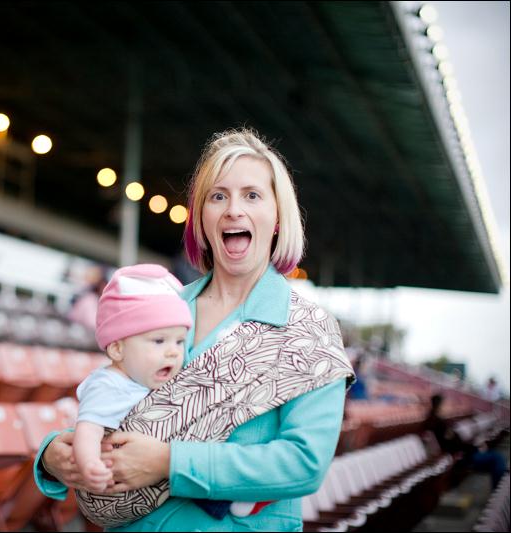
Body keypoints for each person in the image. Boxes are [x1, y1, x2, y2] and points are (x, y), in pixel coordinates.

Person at [34, 127, 354, 531]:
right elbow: (114, 401)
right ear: (201, 217)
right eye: (218, 196)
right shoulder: (159, 305)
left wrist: (169, 461)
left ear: (277, 218)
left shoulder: (309, 329)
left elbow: (303, 464)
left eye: (252, 195)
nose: (233, 209)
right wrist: (53, 455)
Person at [74, 263, 251, 519]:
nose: (173, 351)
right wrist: (89, 464)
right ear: (117, 349)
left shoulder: (150, 377)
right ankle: (224, 499)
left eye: (179, 341)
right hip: (129, 476)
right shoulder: (108, 386)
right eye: (159, 341)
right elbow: (87, 429)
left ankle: (226, 495)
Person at [424, 393, 507, 489]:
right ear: (439, 404)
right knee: (497, 458)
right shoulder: (439, 423)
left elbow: (452, 439)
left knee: (496, 458)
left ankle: (498, 494)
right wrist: (473, 448)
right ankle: (497, 493)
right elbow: (453, 442)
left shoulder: (432, 421)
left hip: (459, 452)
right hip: (462, 455)